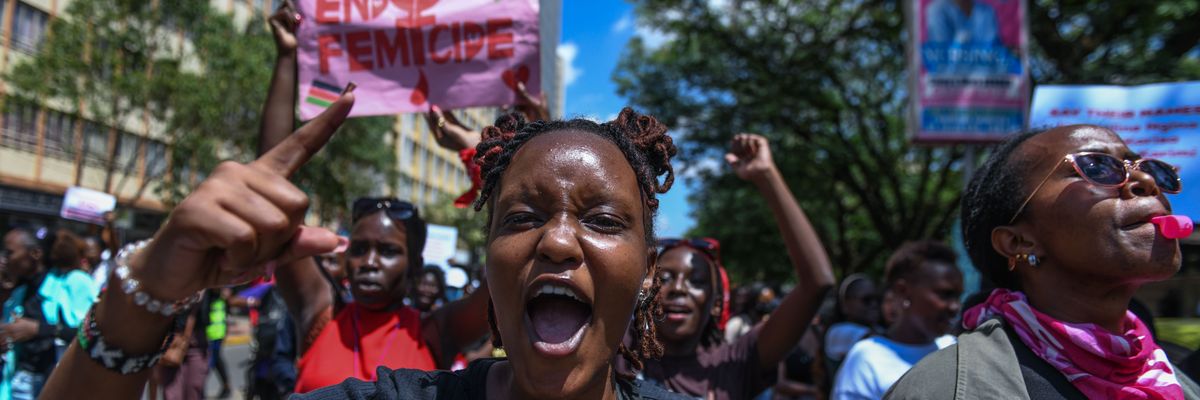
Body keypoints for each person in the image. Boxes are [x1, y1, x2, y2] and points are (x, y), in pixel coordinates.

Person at [889, 125, 1200, 399]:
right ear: (1018, 242)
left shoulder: (1177, 384)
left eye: (1154, 170)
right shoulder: (943, 390)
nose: (1146, 181)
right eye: (1097, 167)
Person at [640, 134, 836, 400]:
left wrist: (767, 176)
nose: (678, 289)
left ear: (716, 303)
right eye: (664, 279)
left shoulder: (736, 363)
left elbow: (818, 282)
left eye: (696, 281)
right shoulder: (618, 355)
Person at [831, 241, 962, 400]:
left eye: (957, 296)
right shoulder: (867, 359)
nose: (955, 306)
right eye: (945, 294)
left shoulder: (955, 350)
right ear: (903, 291)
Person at [3, 229, 97, 399]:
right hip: (19, 380)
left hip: (57, 383)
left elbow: (93, 334)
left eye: (10, 253)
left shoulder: (74, 282)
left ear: (35, 254)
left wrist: (39, 329)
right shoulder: (20, 291)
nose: (4, 258)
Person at [823, 274, 881, 374]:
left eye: (878, 299)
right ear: (845, 304)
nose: (874, 304)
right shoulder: (837, 332)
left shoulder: (878, 329)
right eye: (867, 300)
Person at [205, 289, 232, 398]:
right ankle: (226, 386)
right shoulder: (208, 294)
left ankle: (198, 389)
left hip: (217, 332)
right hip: (210, 332)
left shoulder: (220, 295)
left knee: (210, 362)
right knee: (215, 360)